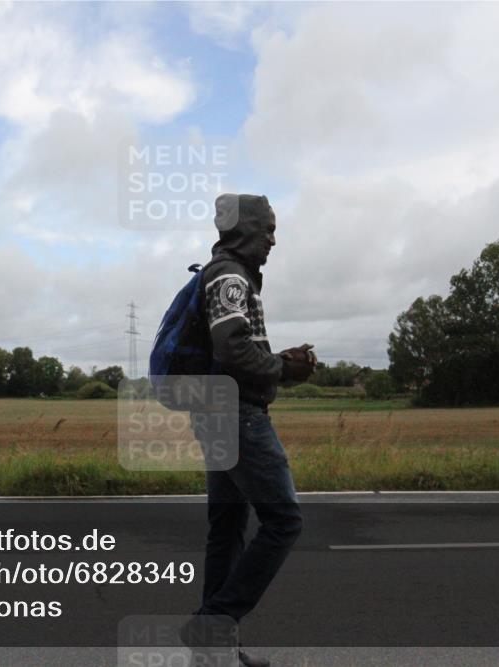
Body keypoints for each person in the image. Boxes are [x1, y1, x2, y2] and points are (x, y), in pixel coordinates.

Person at [180, 193, 317, 667]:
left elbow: (237, 347)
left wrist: (282, 361)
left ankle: (215, 646)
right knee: (284, 520)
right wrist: (284, 368)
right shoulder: (230, 276)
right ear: (246, 230)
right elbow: (232, 350)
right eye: (268, 230)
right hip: (236, 415)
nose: (274, 240)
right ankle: (214, 623)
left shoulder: (227, 274)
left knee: (229, 525)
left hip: (219, 411)